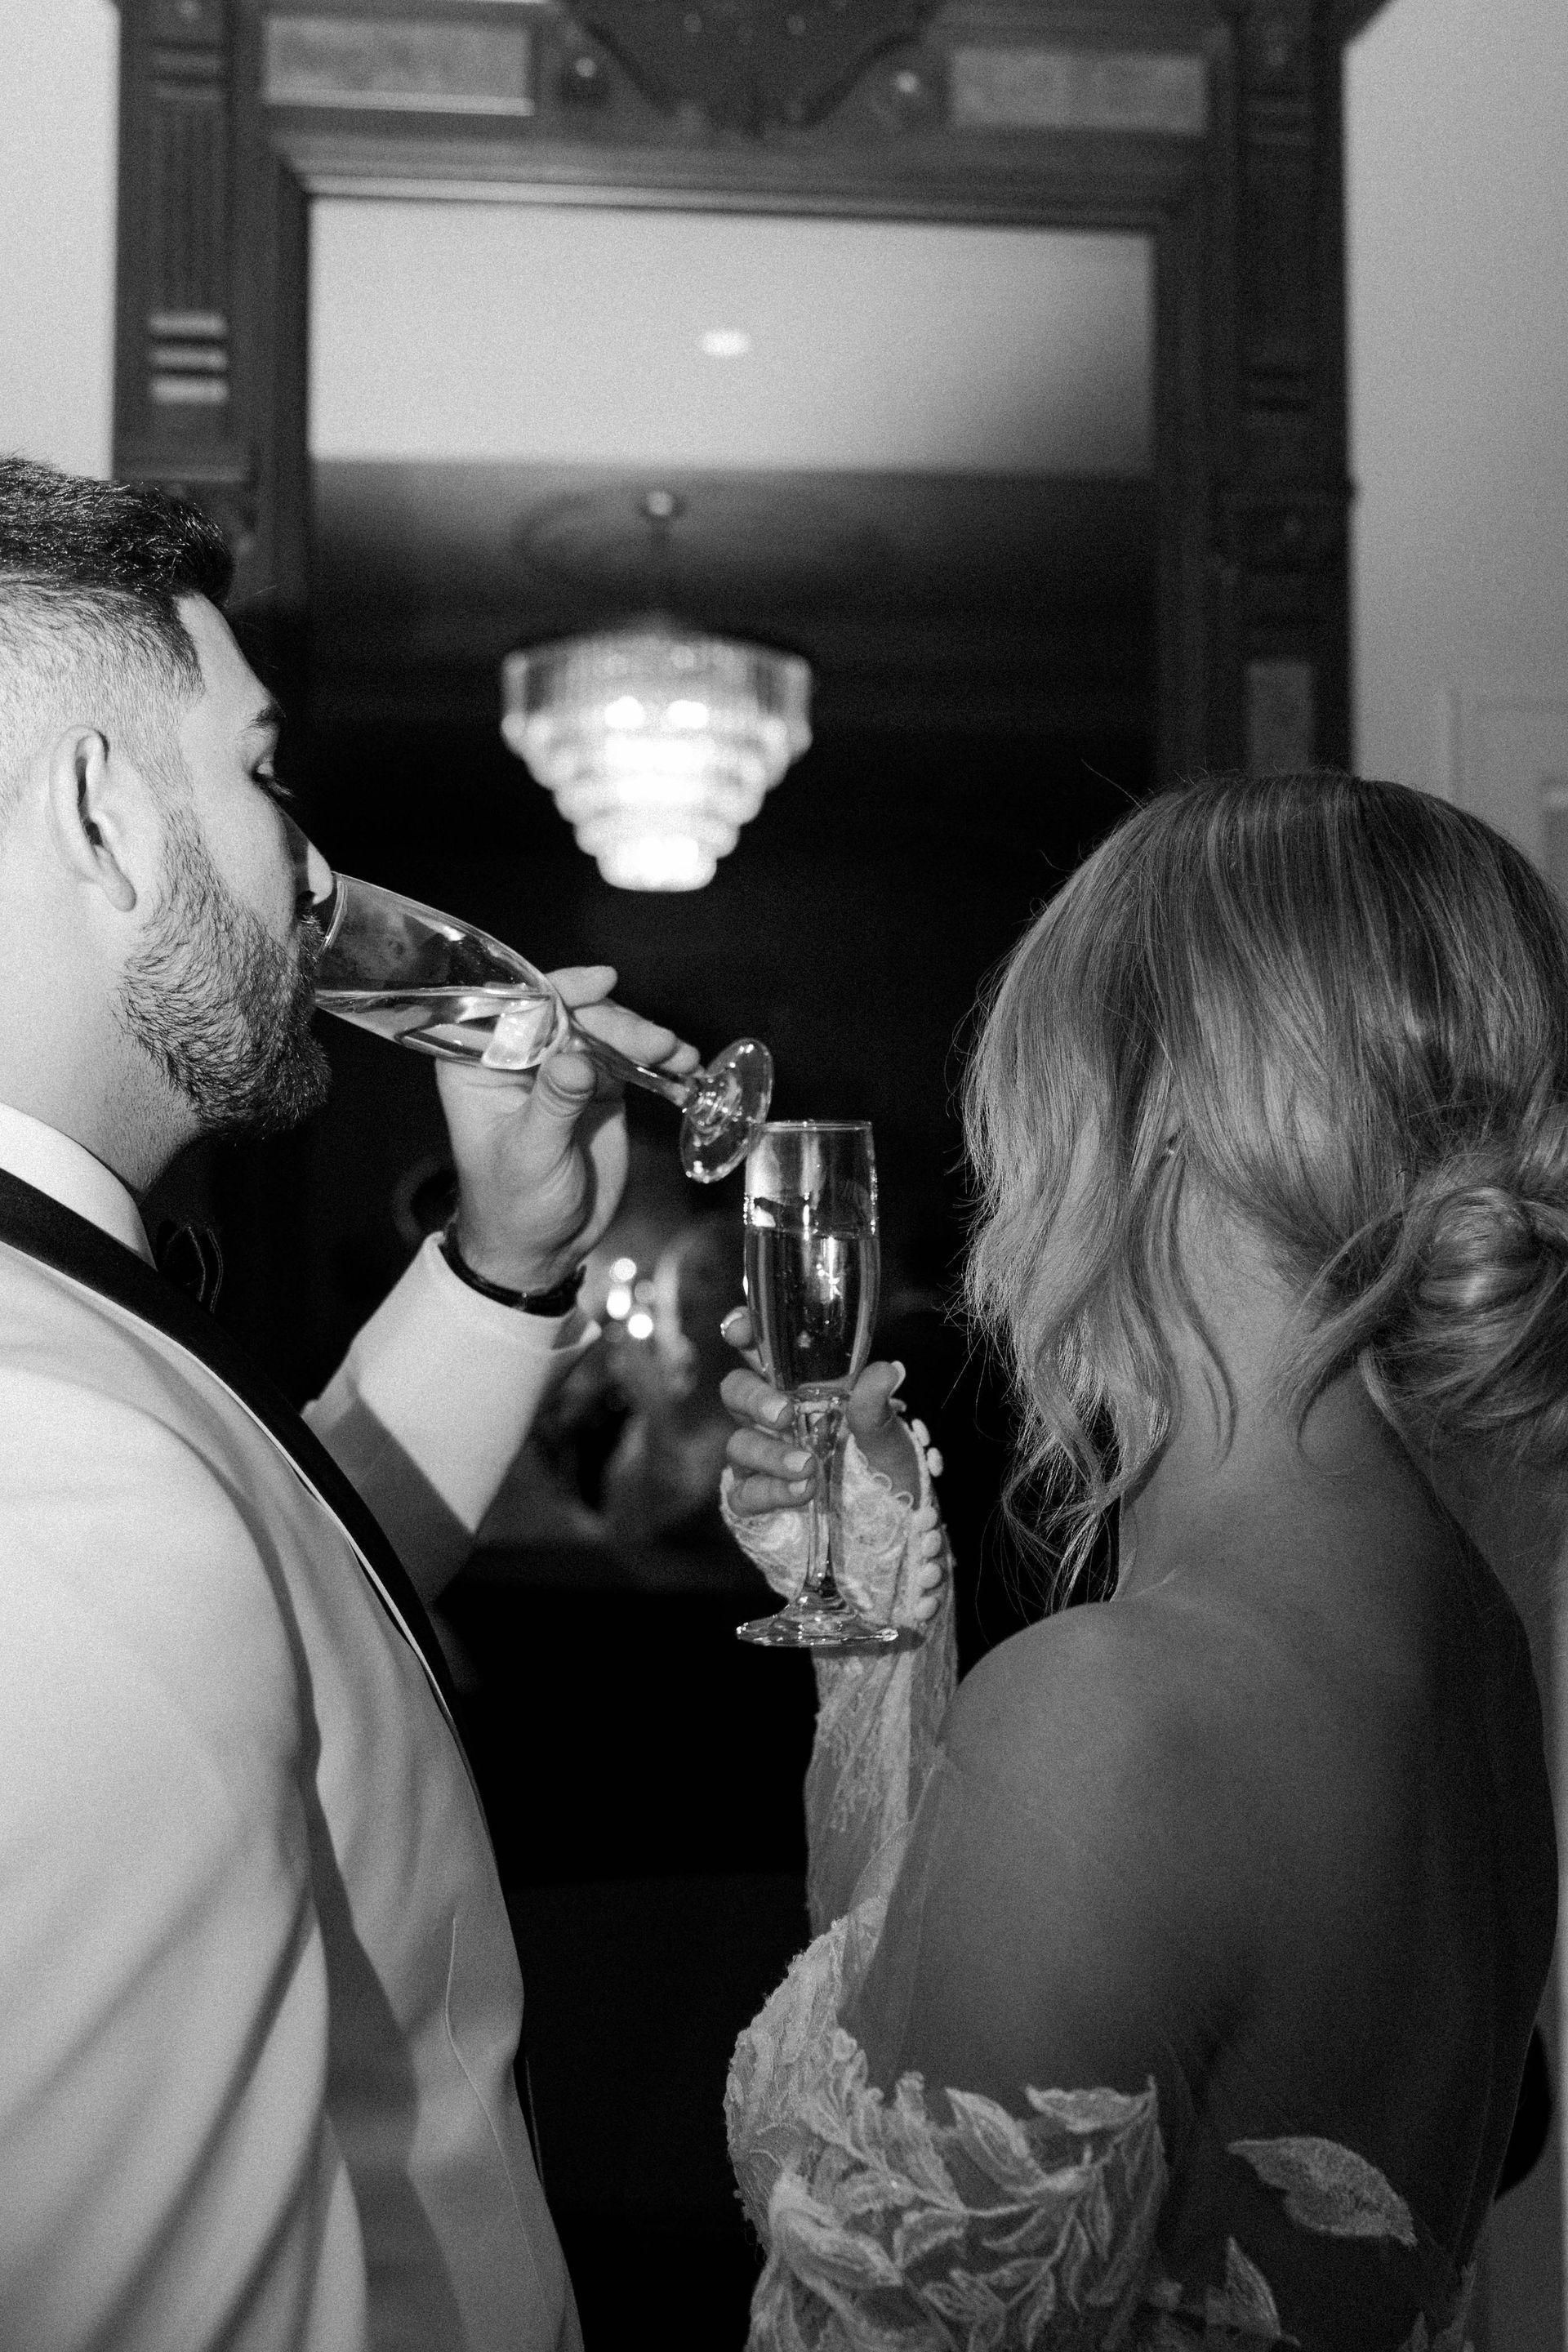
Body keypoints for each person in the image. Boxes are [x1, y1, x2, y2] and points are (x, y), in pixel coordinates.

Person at [718, 771, 1561, 2350]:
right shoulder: (1473, 1634)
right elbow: (924, 2003)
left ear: (1150, 1110)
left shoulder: (1115, 1715)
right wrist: (879, 1631)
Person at [0, 455, 702, 2349]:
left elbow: (275, 1623)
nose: (311, 867)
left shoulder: (62, 1362)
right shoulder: (46, 1470)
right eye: (257, 767)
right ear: (99, 814)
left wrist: (513, 1250)